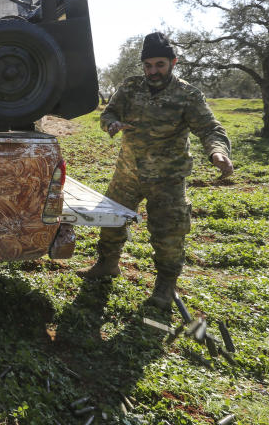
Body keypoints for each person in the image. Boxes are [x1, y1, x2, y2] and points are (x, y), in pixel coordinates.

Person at [80, 32, 234, 310]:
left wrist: (218, 152)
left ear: (173, 62)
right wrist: (111, 125)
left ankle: (165, 286)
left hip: (168, 178)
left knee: (169, 233)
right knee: (111, 221)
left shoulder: (187, 95)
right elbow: (108, 114)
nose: (153, 71)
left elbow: (210, 128)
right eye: (148, 65)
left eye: (160, 65)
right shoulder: (130, 88)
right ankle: (107, 264)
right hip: (128, 172)